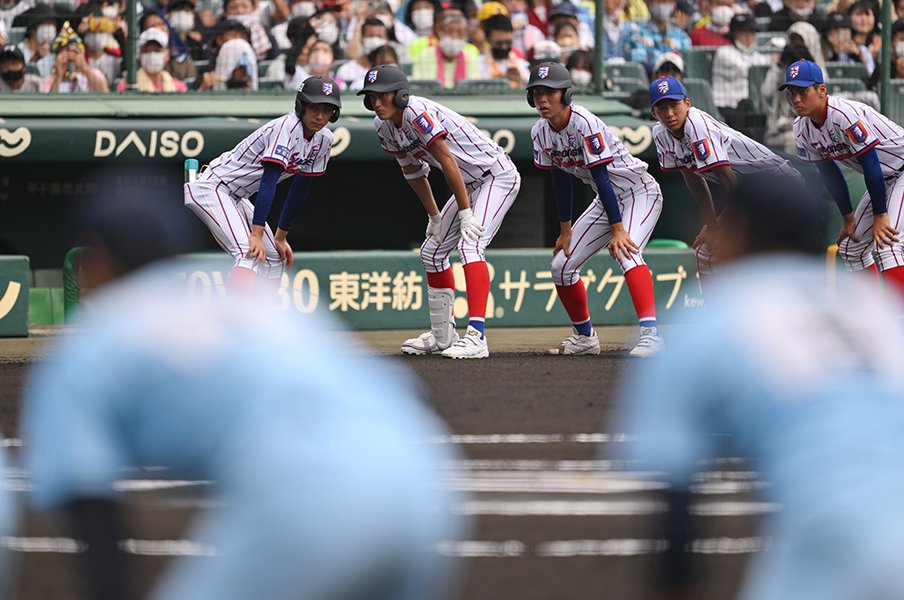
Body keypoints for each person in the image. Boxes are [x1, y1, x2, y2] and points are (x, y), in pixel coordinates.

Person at [23, 190, 465, 600]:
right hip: (420, 483)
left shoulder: (92, 342)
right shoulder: (256, 308)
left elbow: (93, 514)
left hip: (309, 501)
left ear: (93, 258)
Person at [610, 171, 904, 600]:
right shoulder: (874, 309)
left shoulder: (714, 320)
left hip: (836, 542)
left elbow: (676, 512)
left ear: (739, 229)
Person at [358, 64, 522, 358]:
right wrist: (434, 216)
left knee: (470, 245)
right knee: (431, 251)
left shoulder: (416, 112)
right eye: (372, 96)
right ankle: (442, 336)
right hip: (470, 184)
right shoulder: (382, 126)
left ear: (401, 94)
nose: (377, 102)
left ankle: (476, 336)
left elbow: (448, 162)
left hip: (495, 175)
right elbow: (412, 172)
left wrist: (465, 213)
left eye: (384, 95)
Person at [528, 62, 665, 358]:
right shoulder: (540, 132)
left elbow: (602, 176)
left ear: (565, 94)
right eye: (537, 92)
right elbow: (559, 177)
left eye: (549, 92)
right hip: (607, 201)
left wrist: (618, 229)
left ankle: (652, 335)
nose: (542, 98)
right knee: (561, 266)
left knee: (627, 252)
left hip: (639, 192)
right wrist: (565, 230)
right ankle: (585, 336)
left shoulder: (583, 122)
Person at [185, 76, 340, 295]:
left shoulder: (324, 139)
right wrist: (256, 234)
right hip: (213, 186)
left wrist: (281, 236)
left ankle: (264, 322)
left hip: (237, 196)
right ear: (301, 105)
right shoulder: (287, 126)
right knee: (248, 253)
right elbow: (269, 181)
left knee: (275, 259)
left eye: (327, 109)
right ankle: (232, 324)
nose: (320, 116)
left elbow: (301, 189)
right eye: (314, 107)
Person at [649, 76, 803, 287]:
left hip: (776, 184)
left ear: (687, 103)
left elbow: (726, 177)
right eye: (661, 107)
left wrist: (732, 225)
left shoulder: (697, 126)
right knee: (706, 253)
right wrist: (711, 225)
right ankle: (715, 316)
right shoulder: (660, 133)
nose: (669, 113)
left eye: (674, 105)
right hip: (750, 189)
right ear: (653, 113)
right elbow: (692, 178)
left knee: (758, 254)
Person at [784, 59, 904, 294]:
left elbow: (870, 163)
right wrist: (848, 217)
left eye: (802, 91)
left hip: (901, 169)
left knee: (889, 244)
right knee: (851, 247)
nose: (796, 99)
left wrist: (880, 214)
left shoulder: (843, 114)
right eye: (791, 92)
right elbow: (829, 172)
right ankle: (871, 317)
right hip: (887, 177)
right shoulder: (802, 128)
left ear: (821, 91)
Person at [711, 12, 771, 124]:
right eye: (743, 32)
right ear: (734, 34)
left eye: (752, 32)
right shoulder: (724, 52)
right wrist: (770, 61)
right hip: (727, 106)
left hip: (750, 107)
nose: (749, 37)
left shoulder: (757, 55)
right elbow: (746, 70)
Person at [410, 11, 480, 88]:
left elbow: (474, 87)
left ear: (465, 36)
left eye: (460, 32)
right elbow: (418, 87)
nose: (454, 36)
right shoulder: (425, 56)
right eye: (450, 31)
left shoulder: (470, 58)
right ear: (441, 33)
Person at [625, 0, 690, 74]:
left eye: (666, 1)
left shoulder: (682, 36)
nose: (662, 4)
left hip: (676, 84)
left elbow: (689, 68)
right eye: (658, 1)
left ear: (674, 4)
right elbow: (639, 65)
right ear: (648, 2)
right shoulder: (637, 33)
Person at [116, 26, 188, 92]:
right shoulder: (127, 86)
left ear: (167, 55)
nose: (152, 55)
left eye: (157, 51)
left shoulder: (179, 87)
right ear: (140, 55)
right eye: (147, 51)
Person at [42, 21, 109, 92]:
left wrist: (84, 68)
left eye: (75, 52)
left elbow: (104, 93)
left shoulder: (94, 74)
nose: (71, 56)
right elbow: (50, 102)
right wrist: (58, 76)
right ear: (57, 55)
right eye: (65, 51)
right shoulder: (48, 80)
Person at [477, 13, 528, 88]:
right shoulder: (478, 64)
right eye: (498, 44)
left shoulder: (521, 65)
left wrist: (520, 82)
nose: (504, 47)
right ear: (487, 39)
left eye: (508, 43)